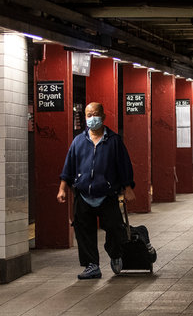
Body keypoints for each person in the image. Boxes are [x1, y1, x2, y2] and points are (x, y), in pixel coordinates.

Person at [58, 102, 137, 279]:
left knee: (115, 228)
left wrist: (128, 188)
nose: (92, 118)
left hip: (107, 195)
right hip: (83, 194)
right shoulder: (78, 141)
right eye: (88, 115)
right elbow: (68, 167)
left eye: (95, 114)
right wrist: (62, 188)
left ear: (103, 116)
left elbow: (124, 166)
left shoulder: (114, 141)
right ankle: (91, 265)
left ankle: (115, 253)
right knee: (83, 230)